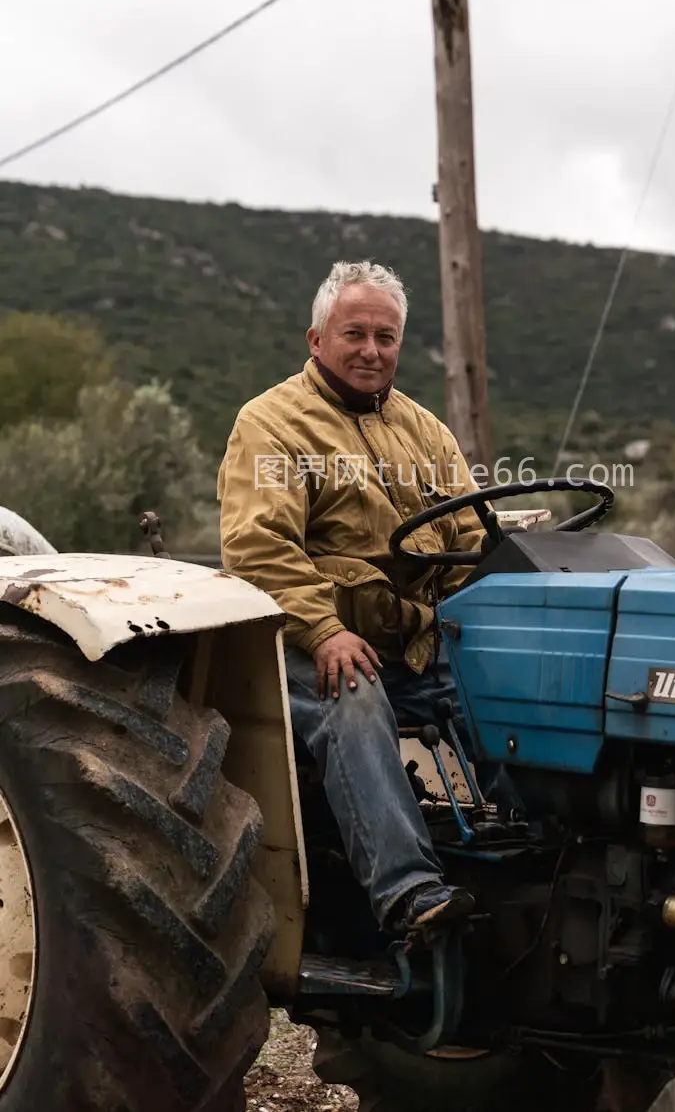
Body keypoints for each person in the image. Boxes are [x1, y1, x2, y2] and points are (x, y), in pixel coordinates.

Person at [216, 260, 488, 934]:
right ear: (316, 340)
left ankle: (543, 855)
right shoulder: (272, 425)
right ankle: (410, 896)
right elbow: (257, 548)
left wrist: (482, 624)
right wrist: (322, 628)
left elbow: (463, 538)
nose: (371, 350)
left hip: (417, 640)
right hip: (308, 642)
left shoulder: (427, 432)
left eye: (386, 337)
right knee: (354, 691)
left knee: (513, 690)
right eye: (354, 334)